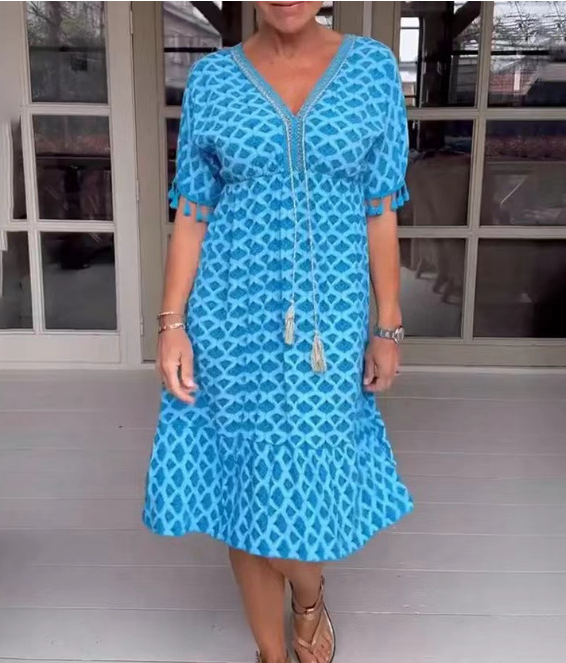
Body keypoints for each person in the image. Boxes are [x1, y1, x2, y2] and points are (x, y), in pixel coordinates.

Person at [142, 3, 413, 662]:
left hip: (329, 327)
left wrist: (387, 323)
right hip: (230, 321)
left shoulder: (372, 69)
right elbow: (193, 212)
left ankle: (309, 597)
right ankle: (270, 653)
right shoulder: (213, 80)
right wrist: (172, 323)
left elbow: (381, 209)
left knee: (307, 483)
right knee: (246, 485)